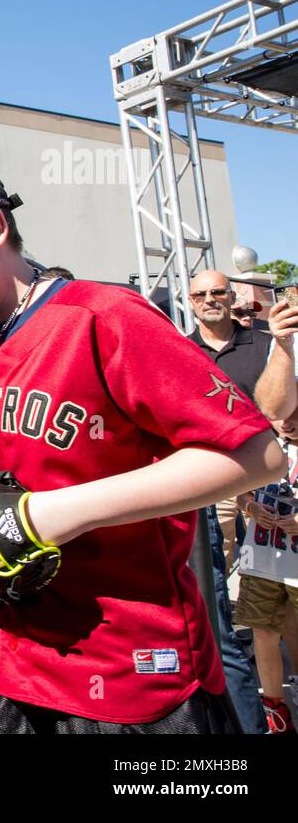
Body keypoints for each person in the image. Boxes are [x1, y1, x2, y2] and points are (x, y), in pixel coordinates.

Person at [0, 162, 284, 733]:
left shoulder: (105, 316)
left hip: (126, 670)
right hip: (4, 663)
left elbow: (256, 455)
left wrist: (50, 514)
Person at [186, 268, 298, 731]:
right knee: (228, 591)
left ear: (232, 298)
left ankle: (277, 683)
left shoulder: (264, 344)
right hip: (216, 486)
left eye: (218, 292)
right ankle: (247, 678)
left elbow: (277, 411)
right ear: (190, 302)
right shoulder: (181, 350)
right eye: (201, 294)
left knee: (283, 592)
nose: (210, 299)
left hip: (274, 481)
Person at [234, 405, 298, 734]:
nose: (287, 422)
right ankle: (276, 709)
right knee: (262, 631)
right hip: (261, 558)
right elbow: (239, 486)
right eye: (282, 414)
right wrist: (250, 506)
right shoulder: (264, 443)